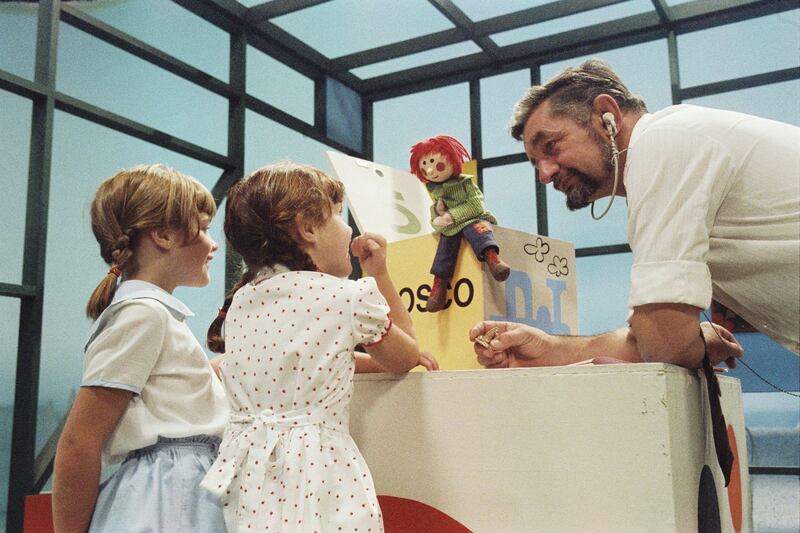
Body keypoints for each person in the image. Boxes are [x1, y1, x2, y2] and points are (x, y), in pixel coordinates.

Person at [471, 58, 799, 370]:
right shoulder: (670, 145)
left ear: (606, 115)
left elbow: (664, 343)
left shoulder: (663, 141)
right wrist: (549, 349)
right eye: (535, 163)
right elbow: (654, 338)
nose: (544, 174)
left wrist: (694, 341)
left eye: (552, 146)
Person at [201, 162, 434, 532]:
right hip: (320, 471)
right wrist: (379, 273)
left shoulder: (242, 301)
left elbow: (308, 362)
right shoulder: (348, 296)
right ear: (307, 228)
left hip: (248, 472)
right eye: (338, 216)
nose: (349, 229)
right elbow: (405, 356)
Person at [52, 164, 229, 532]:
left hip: (178, 494)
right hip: (170, 502)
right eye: (206, 228)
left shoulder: (153, 315)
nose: (214, 245)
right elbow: (78, 443)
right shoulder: (143, 315)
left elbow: (167, 390)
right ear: (163, 234)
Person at [410, 135, 511, 312]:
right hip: (452, 228)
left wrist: (451, 216)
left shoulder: (465, 182)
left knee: (479, 230)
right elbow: (435, 221)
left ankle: (493, 259)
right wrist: (438, 216)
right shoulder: (436, 191)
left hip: (472, 219)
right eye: (425, 167)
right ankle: (439, 285)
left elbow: (477, 204)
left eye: (434, 162)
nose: (431, 170)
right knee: (445, 245)